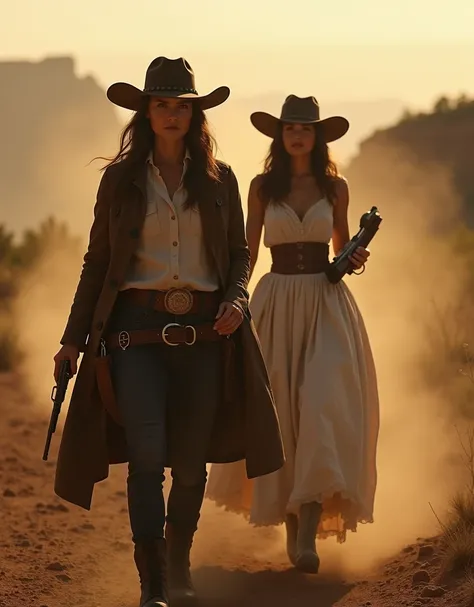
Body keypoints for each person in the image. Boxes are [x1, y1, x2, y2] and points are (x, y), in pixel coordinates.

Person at [52, 57, 284, 607]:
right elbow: (97, 260)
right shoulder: (121, 178)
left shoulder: (219, 178)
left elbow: (237, 254)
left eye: (182, 106)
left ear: (195, 114)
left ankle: (179, 567)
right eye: (163, 105)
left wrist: (236, 297)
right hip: (135, 334)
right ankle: (153, 581)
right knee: (148, 456)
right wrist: (72, 337)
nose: (172, 115)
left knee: (189, 462)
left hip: (206, 333)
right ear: (146, 113)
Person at [206, 95, 380, 574]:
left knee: (322, 402)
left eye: (306, 129)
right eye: (290, 129)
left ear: (318, 137)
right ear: (280, 137)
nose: (298, 136)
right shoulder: (263, 187)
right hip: (276, 300)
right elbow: (247, 249)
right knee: (280, 409)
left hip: (325, 302)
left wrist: (354, 258)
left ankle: (308, 532)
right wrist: (235, 299)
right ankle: (292, 529)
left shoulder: (336, 187)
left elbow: (342, 247)